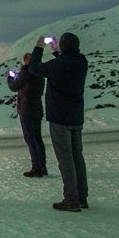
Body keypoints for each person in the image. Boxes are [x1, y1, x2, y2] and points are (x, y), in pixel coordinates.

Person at [29, 33, 88, 211]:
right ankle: (82, 196)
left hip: (60, 117)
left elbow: (34, 68)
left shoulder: (59, 64)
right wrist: (57, 52)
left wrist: (39, 47)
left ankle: (71, 199)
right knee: (77, 156)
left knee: (66, 159)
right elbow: (64, 65)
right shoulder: (81, 61)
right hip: (76, 115)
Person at [7, 53, 47, 178]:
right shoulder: (40, 73)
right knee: (38, 138)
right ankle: (42, 166)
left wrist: (10, 78)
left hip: (26, 109)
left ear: (26, 62)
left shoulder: (26, 73)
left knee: (30, 139)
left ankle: (36, 168)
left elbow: (14, 87)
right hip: (37, 108)